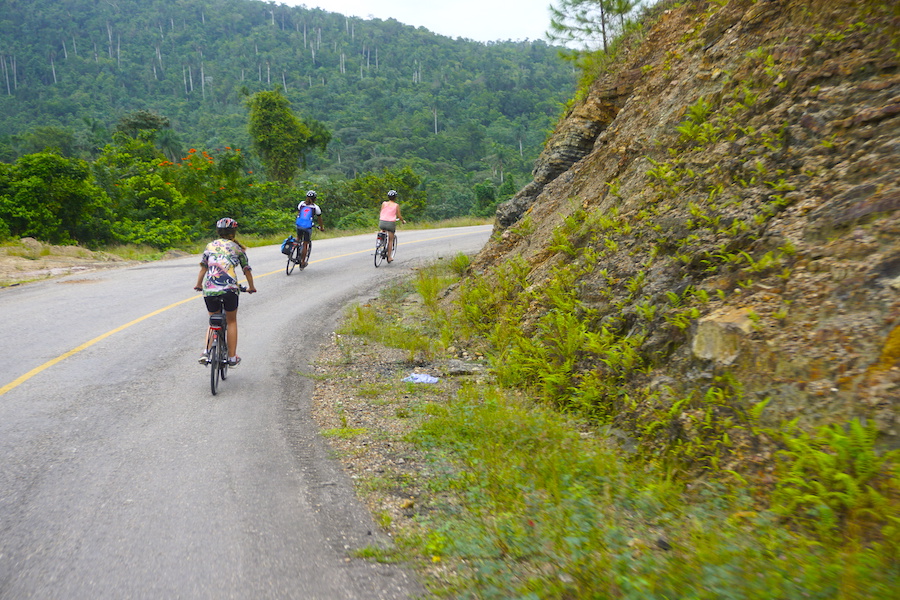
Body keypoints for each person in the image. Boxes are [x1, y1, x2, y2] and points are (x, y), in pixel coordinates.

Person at [194, 217, 257, 367]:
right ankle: (232, 357)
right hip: (229, 289)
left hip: (210, 288)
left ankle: (206, 352)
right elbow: (246, 270)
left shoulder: (210, 246)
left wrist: (198, 285)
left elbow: (203, 268)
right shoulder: (237, 248)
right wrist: (251, 287)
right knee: (231, 321)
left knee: (212, 321)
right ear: (233, 232)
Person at [296, 190, 324, 268]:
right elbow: (320, 219)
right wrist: (321, 227)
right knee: (305, 243)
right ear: (315, 199)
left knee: (298, 238)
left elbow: (299, 213)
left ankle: (293, 249)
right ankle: (302, 262)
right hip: (307, 226)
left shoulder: (301, 204)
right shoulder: (316, 207)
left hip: (299, 224)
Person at [378, 189, 405, 263]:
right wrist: (403, 221)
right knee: (390, 240)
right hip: (390, 223)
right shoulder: (396, 205)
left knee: (382, 230)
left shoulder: (384, 203)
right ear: (395, 197)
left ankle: (380, 241)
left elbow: (382, 212)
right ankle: (389, 257)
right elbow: (399, 216)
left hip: (382, 222)